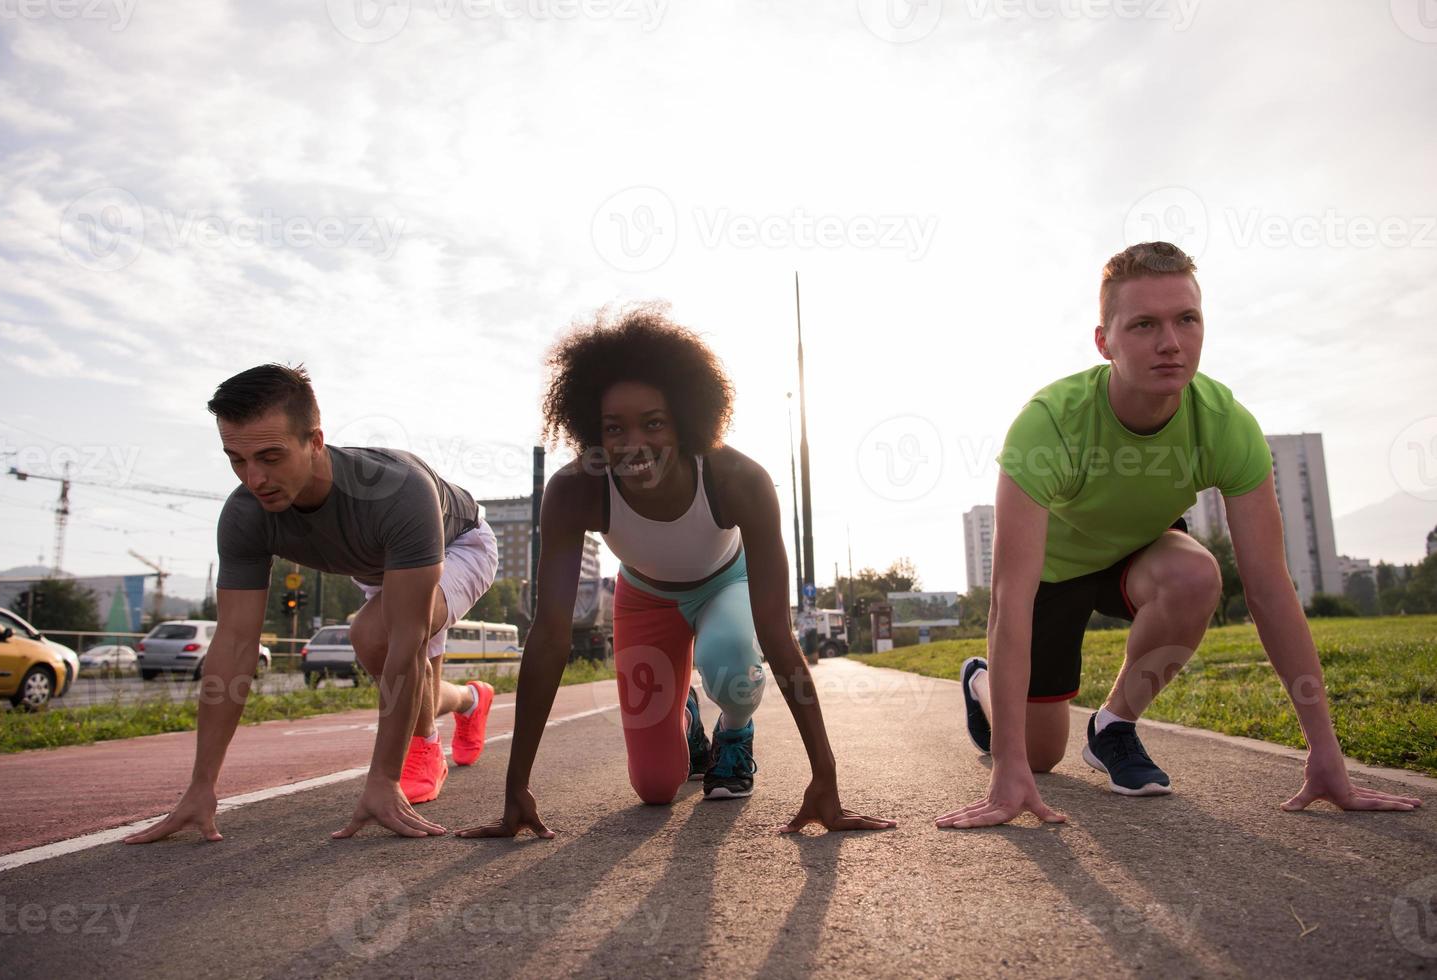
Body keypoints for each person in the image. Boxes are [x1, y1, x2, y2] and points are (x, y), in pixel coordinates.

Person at [939, 242, 1423, 828]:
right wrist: (1007, 766)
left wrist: (1326, 752)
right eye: (1144, 324)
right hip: (1053, 571)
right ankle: (982, 683)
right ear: (1104, 342)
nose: (1171, 342)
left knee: (1196, 574)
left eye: (1186, 319)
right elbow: (1008, 599)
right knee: (1041, 757)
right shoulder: (1049, 424)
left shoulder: (1225, 426)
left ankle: (1113, 726)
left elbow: (1271, 589)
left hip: (1139, 554)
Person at [460, 305, 894, 838]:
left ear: (686, 420)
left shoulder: (739, 480)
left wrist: (825, 778)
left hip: (725, 584)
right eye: (614, 428)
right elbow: (549, 635)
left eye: (654, 423)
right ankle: (683, 714)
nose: (633, 444)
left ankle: (734, 732)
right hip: (645, 599)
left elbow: (777, 634)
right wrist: (516, 788)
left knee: (729, 666)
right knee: (656, 786)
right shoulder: (575, 491)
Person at [126, 364, 500, 844]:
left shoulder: (398, 489)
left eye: (271, 456)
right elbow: (235, 644)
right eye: (236, 460)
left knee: (378, 636)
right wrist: (201, 786)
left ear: (316, 441)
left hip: (457, 544)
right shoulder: (245, 515)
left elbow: (406, 639)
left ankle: (424, 746)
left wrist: (383, 777)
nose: (255, 479)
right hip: (377, 566)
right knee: (398, 653)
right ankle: (471, 699)